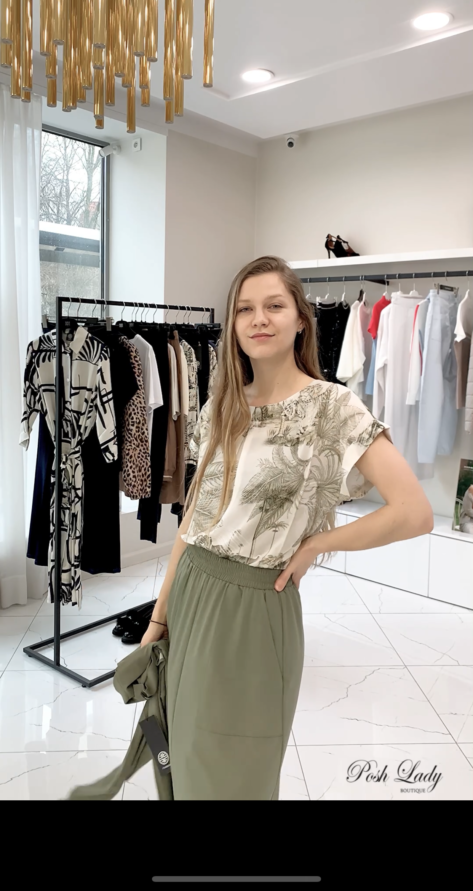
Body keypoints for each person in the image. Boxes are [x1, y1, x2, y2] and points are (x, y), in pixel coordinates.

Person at [141, 255, 434, 800]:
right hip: (192, 595)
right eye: (245, 309)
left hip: (256, 609)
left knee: (236, 774)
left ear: (301, 318)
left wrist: (318, 544)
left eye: (274, 305)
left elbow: (413, 511)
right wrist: (160, 616)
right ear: (233, 324)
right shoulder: (221, 406)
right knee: (180, 756)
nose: (259, 319)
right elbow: (193, 523)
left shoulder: (332, 407)